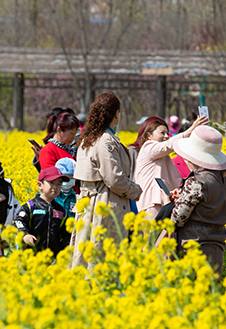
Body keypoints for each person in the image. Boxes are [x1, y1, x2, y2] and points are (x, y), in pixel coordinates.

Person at [70, 92, 142, 267]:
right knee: (102, 258)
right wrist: (136, 190)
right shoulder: (106, 141)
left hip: (89, 202)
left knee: (86, 256)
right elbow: (115, 179)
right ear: (116, 113)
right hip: (105, 203)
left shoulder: (88, 138)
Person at [160, 126, 226, 277]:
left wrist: (167, 204)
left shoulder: (197, 181)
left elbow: (177, 219)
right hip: (217, 247)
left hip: (192, 247)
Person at [131, 114, 208, 218]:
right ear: (149, 135)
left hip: (162, 203)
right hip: (152, 203)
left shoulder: (162, 156)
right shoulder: (147, 147)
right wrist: (190, 131)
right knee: (154, 234)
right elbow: (167, 145)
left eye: (167, 133)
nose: (166, 136)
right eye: (162, 133)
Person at [15, 166, 71, 256]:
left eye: (59, 184)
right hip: (31, 256)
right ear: (40, 185)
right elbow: (18, 221)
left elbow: (66, 233)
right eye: (51, 183)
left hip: (53, 259)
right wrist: (25, 234)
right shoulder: (31, 206)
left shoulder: (61, 211)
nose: (55, 187)